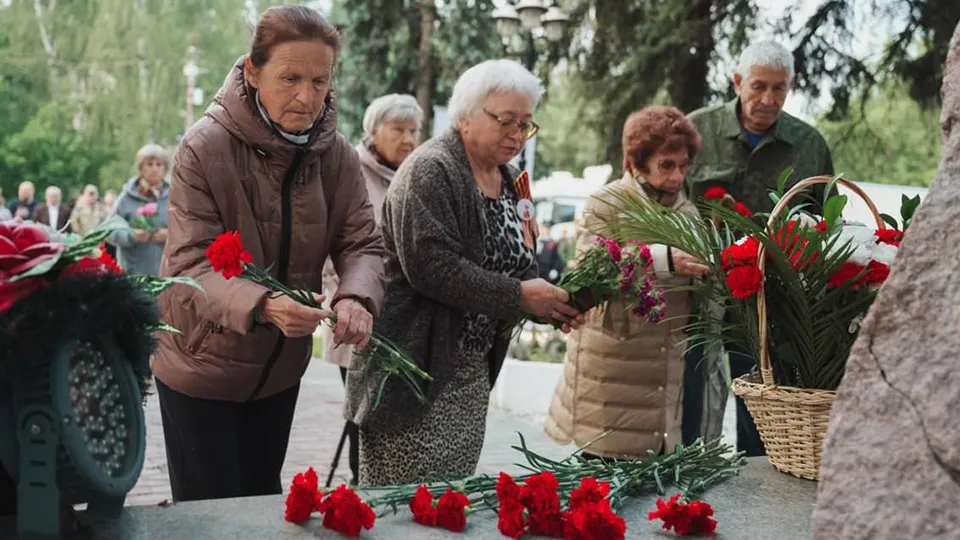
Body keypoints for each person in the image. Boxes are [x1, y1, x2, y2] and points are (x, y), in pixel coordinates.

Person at [152, 5, 383, 503]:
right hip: (201, 364)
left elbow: (361, 241)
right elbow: (190, 264)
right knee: (210, 516)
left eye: (321, 81)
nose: (307, 97)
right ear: (253, 72)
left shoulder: (335, 155)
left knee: (259, 504)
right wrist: (263, 305)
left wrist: (356, 298)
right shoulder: (203, 147)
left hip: (278, 370)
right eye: (290, 78)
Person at [344, 59, 583, 486]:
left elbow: (522, 260)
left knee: (450, 499)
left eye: (526, 123)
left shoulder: (514, 181)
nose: (516, 134)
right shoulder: (431, 169)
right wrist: (519, 297)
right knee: (401, 508)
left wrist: (553, 304)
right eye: (506, 120)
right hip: (414, 373)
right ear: (464, 116)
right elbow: (433, 268)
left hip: (468, 375)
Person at [683, 40, 835, 456]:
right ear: (737, 82)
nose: (768, 99)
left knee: (762, 410)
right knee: (692, 405)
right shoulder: (696, 132)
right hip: (700, 297)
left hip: (769, 302)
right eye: (758, 87)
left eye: (779, 89)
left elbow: (824, 225)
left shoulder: (809, 145)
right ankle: (689, 481)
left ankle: (760, 500)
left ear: (791, 87)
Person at [544, 106, 709, 459]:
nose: (678, 176)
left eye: (683, 165)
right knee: (601, 485)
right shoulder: (605, 203)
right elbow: (594, 270)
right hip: (611, 373)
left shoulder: (689, 213)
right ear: (636, 164)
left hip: (663, 375)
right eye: (666, 165)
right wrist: (663, 259)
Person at [320, 93, 422, 485]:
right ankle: (361, 494)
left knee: (397, 421)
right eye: (398, 129)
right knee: (365, 418)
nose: (408, 138)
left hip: (406, 323)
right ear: (372, 131)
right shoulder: (352, 173)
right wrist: (346, 301)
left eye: (414, 130)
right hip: (360, 320)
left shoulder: (416, 174)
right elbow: (334, 252)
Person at [106, 144, 171, 276]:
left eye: (159, 165)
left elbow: (188, 231)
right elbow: (108, 230)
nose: (155, 169)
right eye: (149, 164)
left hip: (166, 274)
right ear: (140, 168)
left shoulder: (175, 196)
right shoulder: (127, 197)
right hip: (133, 272)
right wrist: (131, 235)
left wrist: (170, 236)